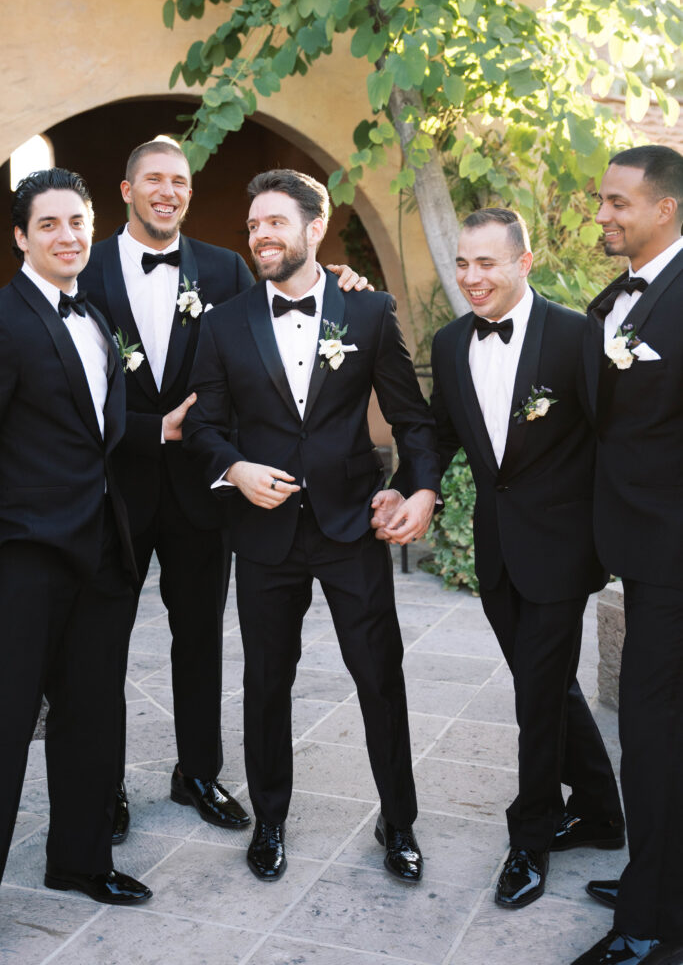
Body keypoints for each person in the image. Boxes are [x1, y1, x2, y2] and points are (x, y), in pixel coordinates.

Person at [81, 139, 365, 842]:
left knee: (200, 637)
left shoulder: (223, 266)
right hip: (112, 489)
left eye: (179, 181)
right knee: (101, 645)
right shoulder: (82, 270)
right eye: (154, 180)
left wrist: (343, 285)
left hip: (203, 490)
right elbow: (70, 386)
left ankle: (198, 772)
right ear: (126, 189)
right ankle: (101, 784)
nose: (168, 192)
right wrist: (151, 429)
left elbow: (277, 318)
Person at [184, 168, 441, 883]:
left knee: (378, 678)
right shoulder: (225, 321)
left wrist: (417, 490)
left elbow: (411, 419)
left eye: (275, 222)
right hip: (264, 535)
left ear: (313, 227)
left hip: (349, 527)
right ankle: (269, 822)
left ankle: (399, 824)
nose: (261, 235)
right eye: (253, 224)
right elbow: (203, 425)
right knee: (266, 682)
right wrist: (235, 469)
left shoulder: (367, 312)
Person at [378, 208, 623, 910]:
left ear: (523, 262)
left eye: (485, 263)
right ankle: (603, 815)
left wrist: (615, 537)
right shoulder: (451, 342)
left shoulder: (579, 336)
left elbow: (613, 441)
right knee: (544, 686)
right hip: (497, 547)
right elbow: (439, 433)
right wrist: (413, 491)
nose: (470, 277)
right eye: (462, 263)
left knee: (534, 697)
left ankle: (531, 837)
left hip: (561, 548)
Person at [0, 168, 151, 905]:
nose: (68, 235)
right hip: (23, 560)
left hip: (100, 553)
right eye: (50, 224)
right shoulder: (4, 320)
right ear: (22, 236)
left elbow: (96, 434)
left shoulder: (94, 317)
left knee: (94, 715)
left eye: (78, 221)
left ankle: (80, 861)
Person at [570, 146, 683, 965]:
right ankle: (657, 874)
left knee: (652, 732)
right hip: (635, 548)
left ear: (664, 209)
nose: (601, 214)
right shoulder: (614, 298)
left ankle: (649, 922)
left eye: (616, 203)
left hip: (677, 555)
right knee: (651, 732)